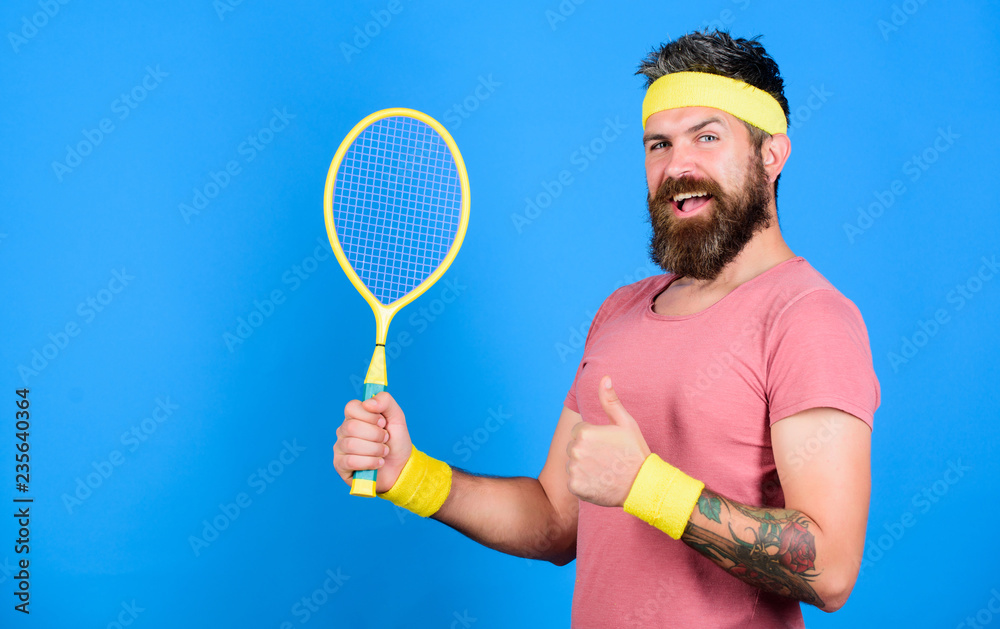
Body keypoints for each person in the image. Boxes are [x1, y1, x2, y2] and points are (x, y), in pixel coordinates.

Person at [333, 30, 880, 628]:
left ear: (772, 154)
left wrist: (648, 487)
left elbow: (828, 569)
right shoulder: (619, 311)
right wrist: (410, 473)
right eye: (658, 144)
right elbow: (553, 521)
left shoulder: (808, 316)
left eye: (707, 137)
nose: (678, 166)